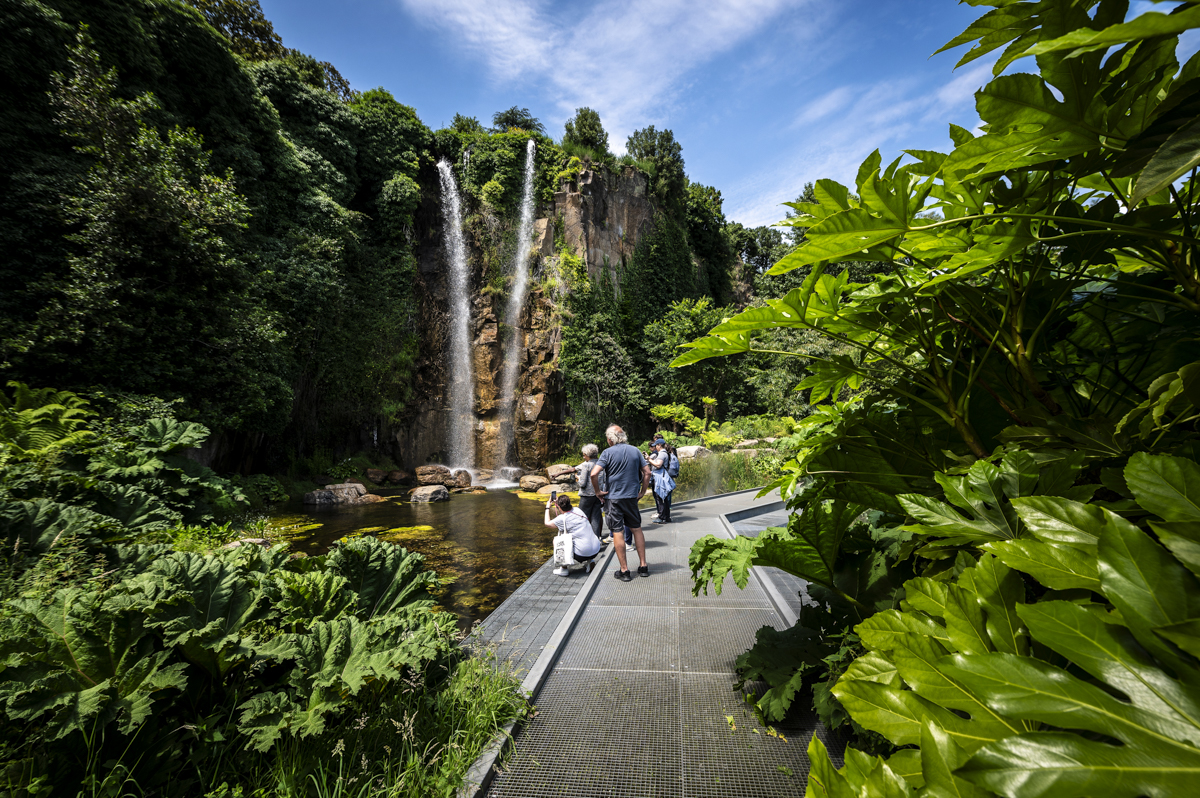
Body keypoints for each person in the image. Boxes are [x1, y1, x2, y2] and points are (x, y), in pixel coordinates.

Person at [591, 424, 651, 581]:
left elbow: (593, 474)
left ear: (610, 439)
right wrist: (643, 491)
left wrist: (598, 492)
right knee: (636, 529)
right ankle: (643, 566)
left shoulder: (607, 453)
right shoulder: (635, 450)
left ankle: (624, 571)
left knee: (618, 532)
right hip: (631, 498)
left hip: (613, 499)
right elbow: (647, 472)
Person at [544, 494, 601, 576]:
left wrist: (547, 507)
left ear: (559, 507)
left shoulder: (562, 518)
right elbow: (567, 509)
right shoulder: (578, 510)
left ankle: (563, 569)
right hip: (596, 549)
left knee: (557, 541)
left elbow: (547, 523)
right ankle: (590, 561)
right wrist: (558, 502)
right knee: (582, 537)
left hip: (582, 554)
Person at [575, 444, 607, 543]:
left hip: (586, 496)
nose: (584, 457)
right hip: (598, 495)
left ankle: (583, 541)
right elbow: (604, 479)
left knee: (582, 518)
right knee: (596, 517)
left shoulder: (586, 465)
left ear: (587, 455)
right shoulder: (601, 464)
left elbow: (583, 483)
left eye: (584, 455)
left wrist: (577, 478)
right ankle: (596, 539)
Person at [648, 439, 676, 524]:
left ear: (659, 445)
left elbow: (658, 465)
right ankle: (667, 516)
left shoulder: (662, 454)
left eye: (656, 445)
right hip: (663, 476)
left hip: (660, 477)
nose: (655, 447)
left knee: (660, 497)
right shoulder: (666, 453)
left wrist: (649, 459)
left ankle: (662, 517)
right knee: (665, 498)